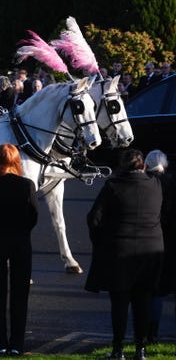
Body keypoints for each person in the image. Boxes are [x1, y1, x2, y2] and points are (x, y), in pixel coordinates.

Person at [85, 149, 164, 360]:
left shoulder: (113, 186)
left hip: (120, 250)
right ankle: (141, 349)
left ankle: (118, 349)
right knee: (143, 302)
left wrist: (101, 241)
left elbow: (94, 218)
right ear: (142, 166)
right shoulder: (155, 185)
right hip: (150, 249)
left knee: (119, 303)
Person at [0, 143, 38, 356]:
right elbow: (34, 217)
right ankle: (17, 344)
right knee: (20, 294)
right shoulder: (27, 185)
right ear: (16, 161)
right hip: (21, 242)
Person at [145, 149, 175, 343]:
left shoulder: (145, 184)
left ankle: (151, 333)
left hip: (153, 242)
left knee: (155, 291)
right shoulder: (171, 182)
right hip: (172, 242)